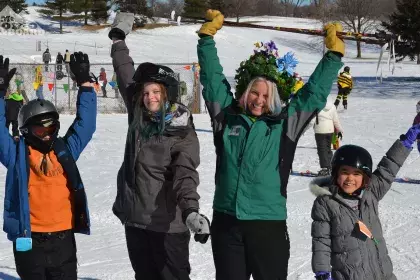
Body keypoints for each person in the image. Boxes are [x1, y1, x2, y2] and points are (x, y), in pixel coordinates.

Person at [197, 9, 344, 280]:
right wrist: (206, 39)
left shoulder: (283, 125)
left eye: (266, 95)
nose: (259, 100)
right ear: (245, 91)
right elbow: (212, 79)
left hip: (268, 224)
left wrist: (333, 56)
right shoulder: (226, 118)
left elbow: (313, 93)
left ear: (274, 97)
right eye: (254, 91)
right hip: (227, 222)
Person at [109, 12, 210, 280]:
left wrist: (190, 211)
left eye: (155, 92)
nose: (150, 97)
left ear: (166, 94)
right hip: (135, 221)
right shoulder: (138, 115)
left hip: (168, 226)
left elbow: (185, 174)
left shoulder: (181, 129)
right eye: (145, 93)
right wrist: (118, 40)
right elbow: (124, 73)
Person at [0, 53, 97, 279]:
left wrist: (85, 85)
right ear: (25, 130)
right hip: (29, 239)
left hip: (63, 238)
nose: (46, 135)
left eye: (51, 128)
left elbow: (86, 125)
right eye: (39, 130)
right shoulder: (16, 154)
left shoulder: (65, 150)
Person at [310, 124, 420, 280]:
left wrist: (405, 143)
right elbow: (321, 240)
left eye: (356, 173)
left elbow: (387, 170)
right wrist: (322, 271)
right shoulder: (326, 203)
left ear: (364, 177)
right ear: (336, 173)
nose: (350, 178)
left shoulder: (370, 192)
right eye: (344, 172)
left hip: (383, 274)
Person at [309, 99, 344, 176]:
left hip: (320, 130)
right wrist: (339, 130)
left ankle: (325, 168)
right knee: (327, 148)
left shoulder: (317, 106)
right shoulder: (332, 106)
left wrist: (303, 130)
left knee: (322, 149)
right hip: (330, 130)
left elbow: (312, 121)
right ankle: (331, 166)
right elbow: (336, 120)